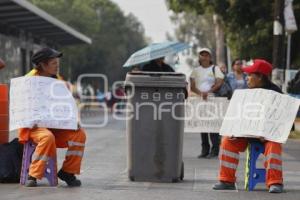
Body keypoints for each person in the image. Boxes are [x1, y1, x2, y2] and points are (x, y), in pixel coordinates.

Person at [213, 59, 284, 193]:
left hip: (267, 137)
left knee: (274, 145)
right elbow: (238, 116)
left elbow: (282, 121)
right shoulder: (246, 92)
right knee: (227, 141)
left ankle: (275, 182)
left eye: (250, 75)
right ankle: (226, 180)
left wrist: (268, 133)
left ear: (260, 77)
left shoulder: (276, 94)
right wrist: (234, 130)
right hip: (246, 135)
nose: (247, 78)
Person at [18, 47, 86, 187]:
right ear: (42, 64)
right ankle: (33, 175)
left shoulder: (57, 80)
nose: (57, 65)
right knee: (47, 137)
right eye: (54, 63)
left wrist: (74, 121)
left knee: (79, 134)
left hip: (56, 125)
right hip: (34, 127)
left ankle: (68, 172)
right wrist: (32, 120)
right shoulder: (29, 81)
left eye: (57, 63)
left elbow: (66, 104)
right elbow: (21, 108)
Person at [190, 48, 224, 158]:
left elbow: (219, 82)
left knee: (212, 126)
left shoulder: (215, 68)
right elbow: (192, 86)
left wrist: (208, 92)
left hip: (213, 99)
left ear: (210, 57)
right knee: (202, 126)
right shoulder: (195, 70)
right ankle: (205, 150)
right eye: (202, 55)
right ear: (199, 57)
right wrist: (201, 93)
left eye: (206, 55)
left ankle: (215, 150)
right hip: (199, 100)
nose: (204, 57)